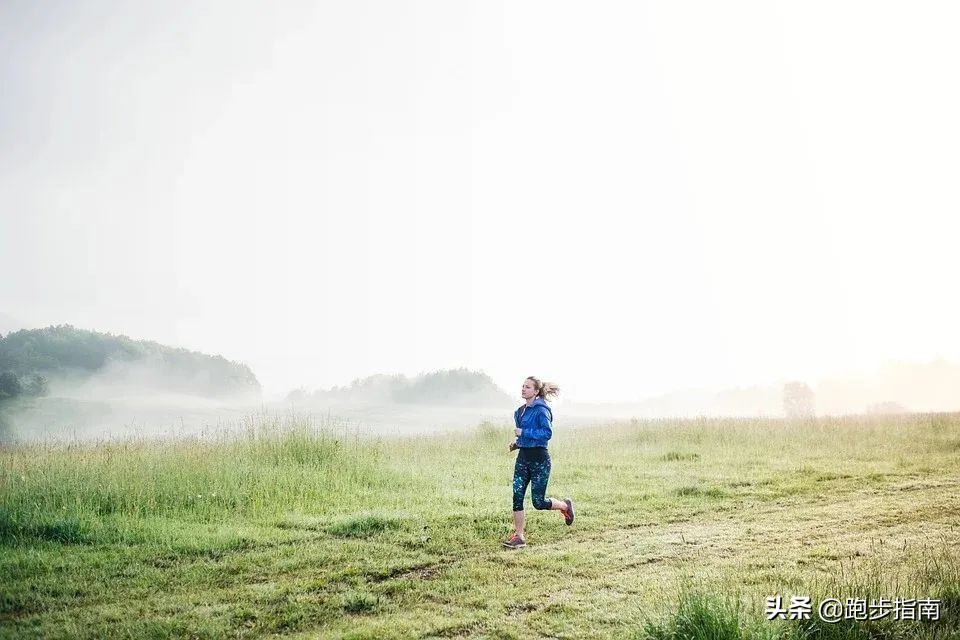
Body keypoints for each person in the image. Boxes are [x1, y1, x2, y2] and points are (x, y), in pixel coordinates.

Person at [501, 376, 574, 549]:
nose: (523, 389)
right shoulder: (519, 412)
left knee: (538, 502)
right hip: (523, 459)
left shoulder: (542, 410)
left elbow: (546, 434)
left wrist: (523, 432)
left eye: (527, 387)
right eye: (523, 386)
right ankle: (519, 537)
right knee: (517, 496)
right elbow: (524, 437)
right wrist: (517, 444)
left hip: (540, 461)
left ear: (535, 391)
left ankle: (565, 506)